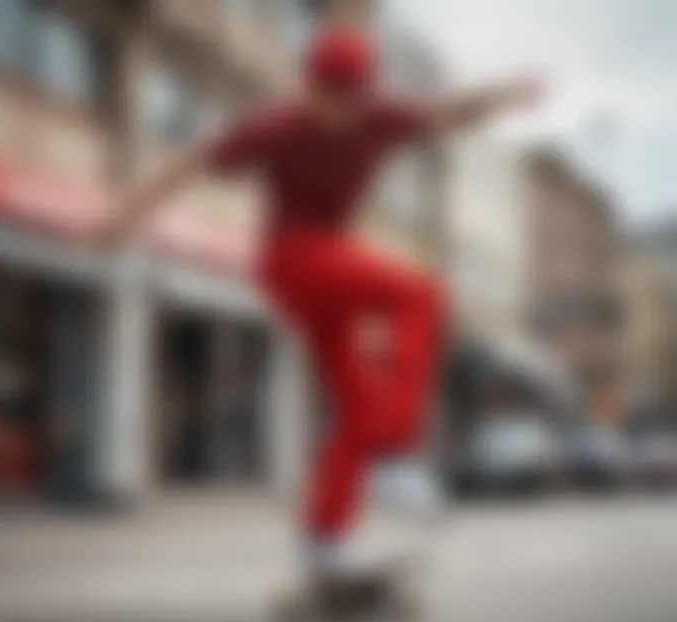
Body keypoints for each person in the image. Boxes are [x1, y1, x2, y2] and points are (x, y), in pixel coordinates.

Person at [96, 27, 544, 580]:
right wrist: (125, 216)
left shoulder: (381, 116)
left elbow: (446, 113)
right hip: (290, 258)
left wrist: (503, 95)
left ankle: (323, 540)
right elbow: (189, 162)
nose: (338, 114)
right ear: (307, 86)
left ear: (366, 92)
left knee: (358, 408)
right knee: (422, 292)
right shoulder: (276, 126)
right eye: (326, 98)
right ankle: (398, 452)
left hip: (331, 259)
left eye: (350, 100)